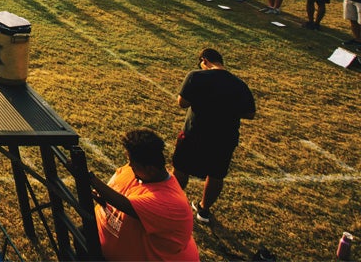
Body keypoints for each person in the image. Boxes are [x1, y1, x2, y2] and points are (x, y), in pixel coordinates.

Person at [172, 48, 256, 225]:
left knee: (181, 169)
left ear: (204, 60)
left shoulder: (197, 76)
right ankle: (204, 209)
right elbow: (250, 113)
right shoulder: (239, 84)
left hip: (194, 132)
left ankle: (172, 204)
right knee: (216, 174)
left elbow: (182, 102)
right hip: (224, 137)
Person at [92, 128, 198, 262]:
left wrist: (90, 178)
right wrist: (104, 201)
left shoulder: (170, 203)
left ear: (151, 169)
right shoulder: (135, 172)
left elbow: (126, 205)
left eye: (133, 164)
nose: (129, 165)